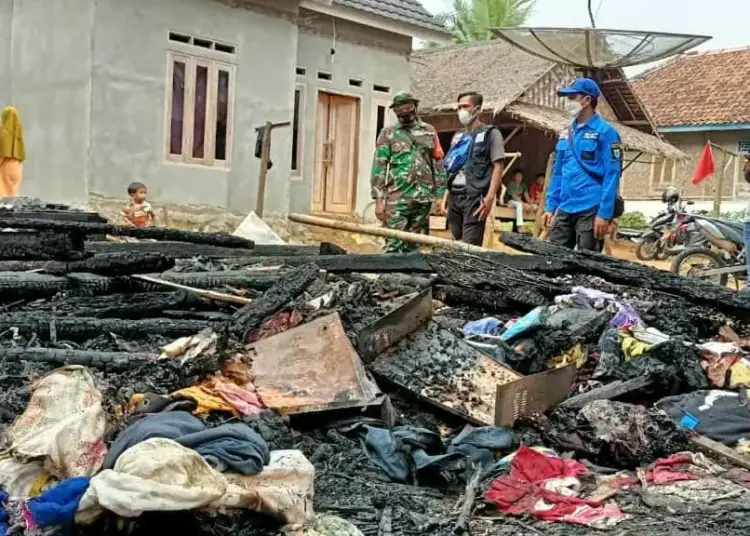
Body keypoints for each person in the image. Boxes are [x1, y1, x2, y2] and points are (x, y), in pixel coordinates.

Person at [543, 78, 623, 252]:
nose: (567, 102)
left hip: (591, 209)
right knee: (553, 261)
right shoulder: (565, 133)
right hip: (564, 207)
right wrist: (550, 206)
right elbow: (558, 173)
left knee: (586, 266)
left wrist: (604, 213)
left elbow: (612, 175)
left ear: (587, 100)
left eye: (572, 97)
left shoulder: (606, 132)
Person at [371, 92, 446, 253]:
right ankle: (388, 278)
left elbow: (438, 164)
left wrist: (440, 195)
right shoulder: (388, 133)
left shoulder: (429, 131)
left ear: (415, 108)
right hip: (397, 198)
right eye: (400, 111)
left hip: (423, 198)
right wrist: (379, 200)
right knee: (394, 243)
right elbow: (379, 167)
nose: (404, 113)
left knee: (415, 246)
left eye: (407, 108)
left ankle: (409, 278)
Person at [441, 91, 505, 246]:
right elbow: (452, 169)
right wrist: (445, 197)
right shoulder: (458, 137)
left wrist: (490, 198)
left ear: (478, 109)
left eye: (466, 106)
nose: (461, 111)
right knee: (456, 242)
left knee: (470, 245)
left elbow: (498, 166)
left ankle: (468, 270)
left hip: (475, 197)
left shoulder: (491, 134)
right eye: (459, 107)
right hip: (455, 196)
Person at [0, 106, 25, 198]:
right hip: (17, 166)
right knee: (14, 192)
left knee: (4, 192)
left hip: (6, 165)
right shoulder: (18, 134)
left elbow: (2, 152)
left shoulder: (3, 133)